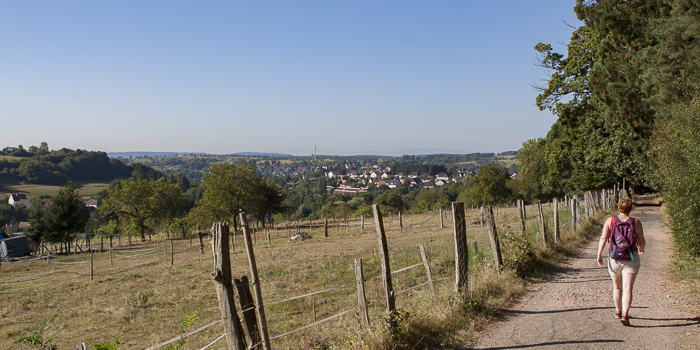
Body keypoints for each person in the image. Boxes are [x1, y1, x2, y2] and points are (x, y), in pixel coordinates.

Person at [596, 197, 646, 326]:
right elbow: (642, 241)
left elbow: (603, 238)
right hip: (631, 258)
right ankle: (625, 313)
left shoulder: (610, 220)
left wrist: (599, 254)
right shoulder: (636, 222)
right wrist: (642, 249)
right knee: (628, 287)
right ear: (631, 209)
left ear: (619, 207)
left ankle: (618, 311)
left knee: (617, 287)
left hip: (614, 258)